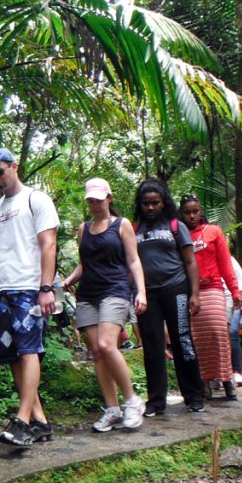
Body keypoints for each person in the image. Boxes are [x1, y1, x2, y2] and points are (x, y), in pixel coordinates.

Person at [0, 147, 60, 446]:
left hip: (29, 287)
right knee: (12, 355)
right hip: (1, 291)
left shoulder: (36, 199)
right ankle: (40, 421)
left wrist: (46, 288)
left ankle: (22, 420)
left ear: (14, 166)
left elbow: (48, 243)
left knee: (29, 351)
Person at [63, 178, 146, 432]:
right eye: (91, 200)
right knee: (97, 353)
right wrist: (66, 282)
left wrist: (141, 291)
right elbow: (83, 263)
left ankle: (133, 401)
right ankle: (112, 409)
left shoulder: (122, 226)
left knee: (106, 344)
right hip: (88, 294)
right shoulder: (83, 229)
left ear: (109, 198)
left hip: (115, 290)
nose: (95, 204)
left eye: (99, 199)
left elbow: (133, 261)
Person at [132, 180, 206, 414]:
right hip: (148, 295)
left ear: (164, 203)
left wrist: (194, 294)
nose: (151, 208)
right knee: (153, 347)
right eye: (146, 204)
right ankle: (155, 402)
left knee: (183, 341)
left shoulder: (176, 225)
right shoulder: (135, 229)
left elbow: (190, 261)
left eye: (155, 203)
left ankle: (194, 396)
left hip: (176, 290)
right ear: (140, 205)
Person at [180, 194, 241, 400]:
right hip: (190, 293)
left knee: (218, 333)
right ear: (181, 214)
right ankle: (204, 383)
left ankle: (227, 379)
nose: (192, 216)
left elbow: (225, 264)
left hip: (213, 288)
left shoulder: (213, 232)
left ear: (201, 211)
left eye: (195, 211)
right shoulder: (179, 235)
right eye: (187, 212)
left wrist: (235, 291)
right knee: (196, 339)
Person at [226, 256, 242, 386]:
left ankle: (237, 371)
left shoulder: (230, 260)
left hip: (234, 300)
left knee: (232, 332)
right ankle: (219, 374)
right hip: (215, 298)